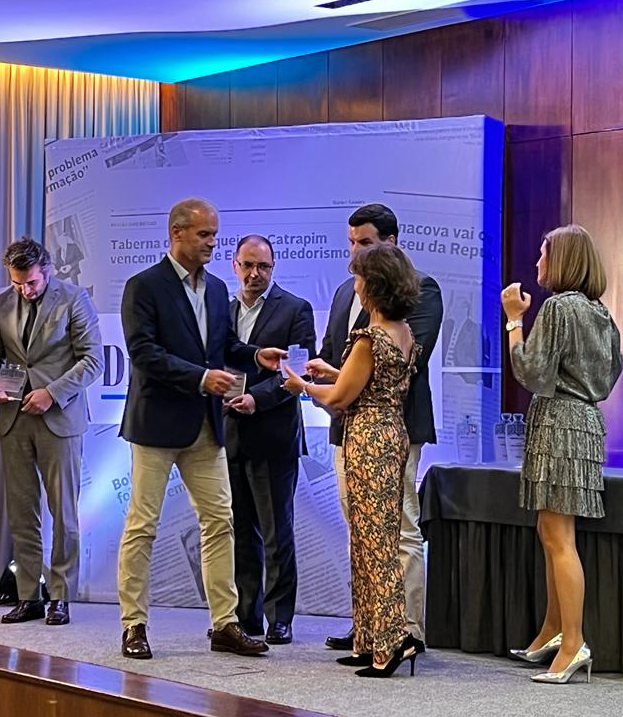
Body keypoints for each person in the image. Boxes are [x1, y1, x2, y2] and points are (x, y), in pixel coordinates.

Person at [116, 197, 285, 659]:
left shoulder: (215, 289)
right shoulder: (143, 285)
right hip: (155, 425)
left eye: (214, 234)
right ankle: (134, 624)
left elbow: (222, 345)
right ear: (177, 233)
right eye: (204, 234)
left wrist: (255, 355)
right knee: (142, 526)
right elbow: (143, 353)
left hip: (206, 427)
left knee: (220, 521)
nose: (213, 243)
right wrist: (200, 378)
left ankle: (224, 624)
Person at [283, 242, 421, 678]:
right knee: (369, 538)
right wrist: (331, 374)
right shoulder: (403, 332)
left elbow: (341, 398)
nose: (355, 285)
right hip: (392, 433)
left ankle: (391, 642)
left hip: (367, 439)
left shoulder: (369, 338)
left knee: (374, 543)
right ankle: (368, 639)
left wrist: (303, 386)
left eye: (359, 278)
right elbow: (368, 382)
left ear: (372, 285)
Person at [317, 203, 443, 653]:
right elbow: (332, 350)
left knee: (399, 527)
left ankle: (407, 630)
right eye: (351, 242)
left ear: (391, 242)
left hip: (393, 428)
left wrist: (335, 385)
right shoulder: (343, 291)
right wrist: (325, 374)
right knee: (361, 528)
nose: (356, 252)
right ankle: (371, 628)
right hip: (348, 430)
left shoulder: (421, 288)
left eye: (365, 243)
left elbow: (400, 362)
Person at [501, 224, 622, 684]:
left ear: (563, 260)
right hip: (585, 424)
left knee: (558, 536)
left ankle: (573, 643)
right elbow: (611, 373)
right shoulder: (600, 312)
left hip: (558, 424)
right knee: (550, 529)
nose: (537, 262)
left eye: (544, 253)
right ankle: (553, 631)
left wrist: (514, 321)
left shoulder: (558, 307)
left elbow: (530, 372)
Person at [0, 237, 103, 625]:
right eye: (17, 283)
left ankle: (61, 595)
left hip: (59, 417)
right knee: (21, 512)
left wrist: (52, 393)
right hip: (14, 417)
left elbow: (92, 360)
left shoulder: (74, 298)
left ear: (47, 270)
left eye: (31, 282)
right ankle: (28, 594)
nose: (24, 290)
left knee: (63, 513)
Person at [224, 234, 316, 644]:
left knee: (277, 532)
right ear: (235, 265)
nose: (254, 274)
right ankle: (246, 617)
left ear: (273, 267)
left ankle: (280, 617)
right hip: (229, 434)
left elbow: (298, 372)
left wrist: (256, 399)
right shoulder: (223, 311)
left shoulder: (295, 309)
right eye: (247, 265)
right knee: (240, 532)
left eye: (263, 266)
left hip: (274, 433)